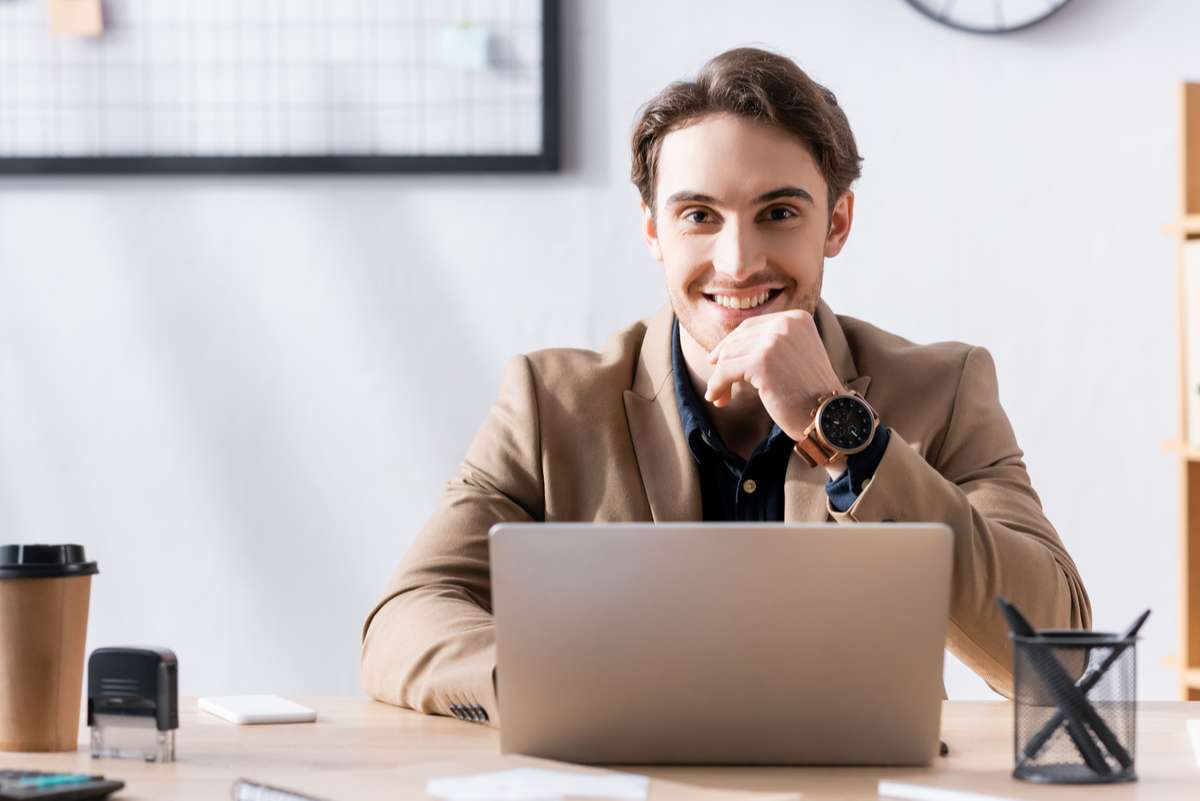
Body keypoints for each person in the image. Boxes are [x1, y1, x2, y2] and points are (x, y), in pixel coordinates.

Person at [359, 47, 1091, 726]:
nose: (738, 263)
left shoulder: (945, 388)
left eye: (778, 213)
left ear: (835, 222)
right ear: (653, 230)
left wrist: (843, 432)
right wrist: (562, 675)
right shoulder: (549, 402)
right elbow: (406, 618)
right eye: (699, 216)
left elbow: (1055, 654)